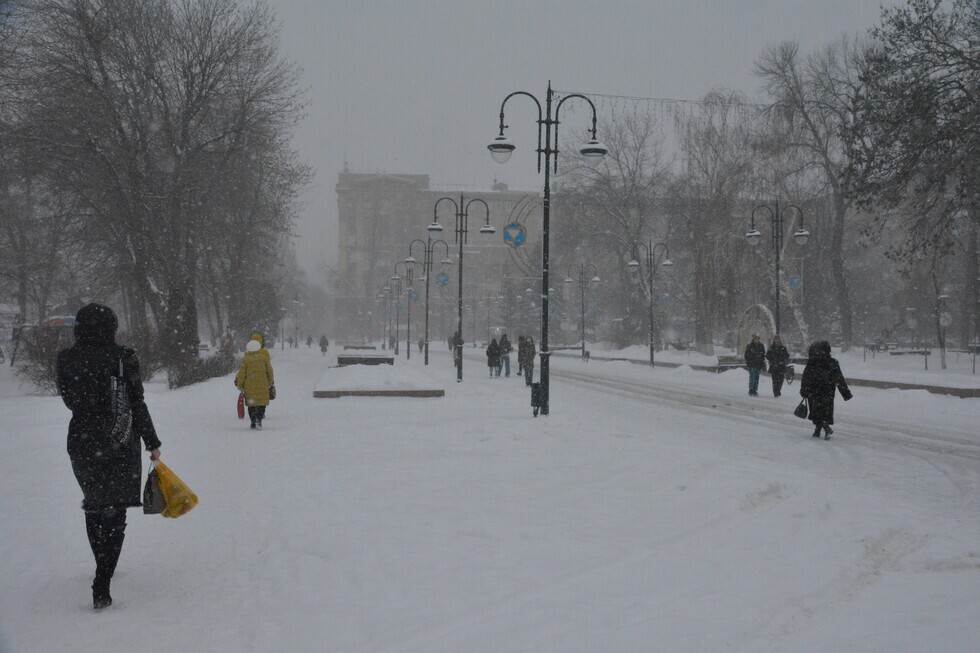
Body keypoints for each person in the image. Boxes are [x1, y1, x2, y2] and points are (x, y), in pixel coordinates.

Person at [56, 303, 162, 610]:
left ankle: (101, 567)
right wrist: (152, 442)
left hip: (82, 440)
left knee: (95, 506)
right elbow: (136, 402)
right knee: (116, 511)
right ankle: (104, 577)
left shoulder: (66, 359)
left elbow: (68, 398)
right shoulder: (123, 356)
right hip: (120, 438)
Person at [800, 340, 852, 439]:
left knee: (815, 411)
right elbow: (839, 378)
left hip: (813, 391)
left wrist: (804, 389)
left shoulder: (812, 362)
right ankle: (819, 429)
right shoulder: (832, 362)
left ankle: (824, 427)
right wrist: (845, 392)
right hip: (828, 391)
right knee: (825, 411)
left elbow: (806, 377)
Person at [236, 333, 275, 429]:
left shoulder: (246, 358)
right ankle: (259, 420)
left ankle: (253, 421)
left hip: (249, 386)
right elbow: (269, 371)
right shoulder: (264, 357)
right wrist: (270, 382)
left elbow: (241, 374)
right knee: (261, 403)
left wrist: (240, 385)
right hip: (263, 384)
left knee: (251, 405)